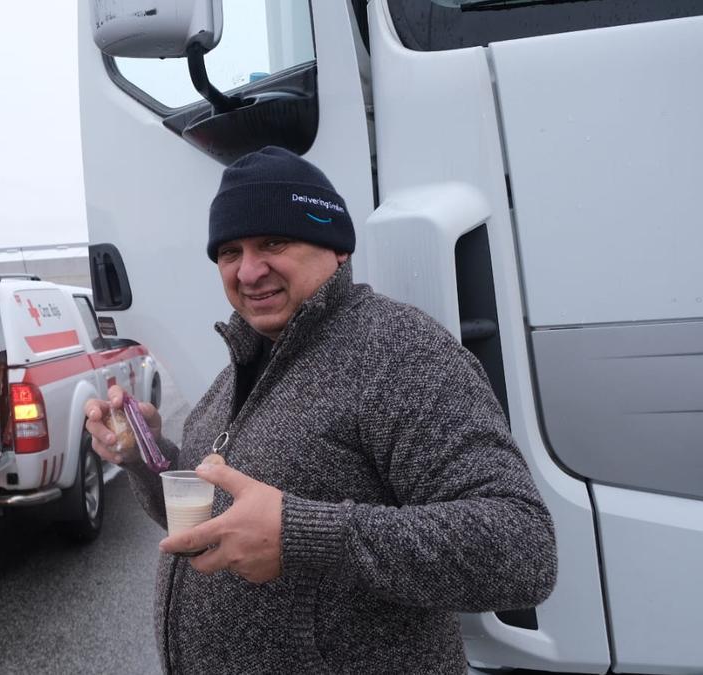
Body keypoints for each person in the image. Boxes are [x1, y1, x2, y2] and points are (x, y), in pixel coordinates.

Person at [84, 146, 558, 674]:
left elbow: (521, 548)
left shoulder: (397, 352)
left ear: (335, 248)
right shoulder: (238, 371)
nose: (249, 270)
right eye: (229, 252)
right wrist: (144, 459)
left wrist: (300, 534)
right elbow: (206, 524)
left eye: (274, 242)